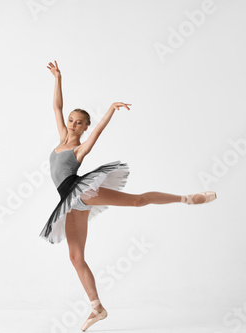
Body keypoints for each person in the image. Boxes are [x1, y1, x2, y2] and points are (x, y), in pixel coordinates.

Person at [40, 60, 217, 331]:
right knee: (75, 258)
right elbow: (57, 107)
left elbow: (98, 131)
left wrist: (110, 109)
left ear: (84, 127)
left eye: (80, 123)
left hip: (81, 191)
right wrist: (58, 78)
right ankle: (97, 308)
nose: (74, 125)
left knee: (136, 200)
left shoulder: (78, 148)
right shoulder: (62, 136)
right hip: (68, 202)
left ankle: (188, 198)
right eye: (72, 121)